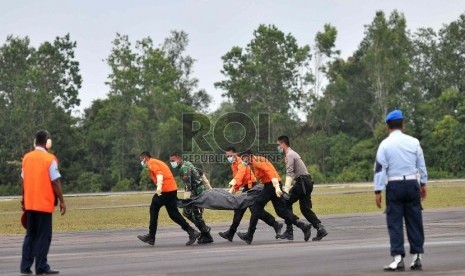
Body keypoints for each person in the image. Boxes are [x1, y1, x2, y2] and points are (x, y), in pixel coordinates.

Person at [374, 110, 427, 271]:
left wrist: (378, 190)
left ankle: (398, 259)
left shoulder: (385, 144)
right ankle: (417, 257)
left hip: (394, 186)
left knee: (395, 222)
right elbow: (421, 165)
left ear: (387, 126)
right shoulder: (414, 142)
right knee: (415, 220)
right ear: (403, 124)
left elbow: (380, 169)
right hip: (412, 184)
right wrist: (423, 183)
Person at [237, 150, 312, 244]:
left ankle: (250, 235)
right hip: (271, 185)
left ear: (248, 156)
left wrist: (276, 187)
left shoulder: (258, 161)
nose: (242, 160)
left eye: (243, 158)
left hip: (272, 186)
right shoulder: (254, 162)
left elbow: (270, 172)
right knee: (281, 211)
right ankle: (303, 226)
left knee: (256, 207)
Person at [20, 130, 66, 275]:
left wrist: (23, 199)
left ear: (35, 141)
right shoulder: (49, 158)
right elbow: (55, 181)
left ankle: (25, 266)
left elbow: (23, 180)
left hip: (30, 203)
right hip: (44, 204)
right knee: (43, 236)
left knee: (30, 235)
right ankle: (41, 266)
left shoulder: (26, 158)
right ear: (46, 142)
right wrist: (62, 201)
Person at [218, 146, 283, 242]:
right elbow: (238, 179)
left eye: (230, 155)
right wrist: (232, 190)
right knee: (241, 209)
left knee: (255, 211)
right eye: (227, 156)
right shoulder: (233, 164)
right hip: (246, 187)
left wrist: (233, 185)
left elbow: (240, 174)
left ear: (235, 154)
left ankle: (275, 225)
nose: (228, 158)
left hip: (251, 187)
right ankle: (231, 233)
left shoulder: (241, 162)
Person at [137, 151, 200, 246]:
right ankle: (192, 232)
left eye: (141, 160)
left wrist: (159, 188)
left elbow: (159, 174)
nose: (141, 162)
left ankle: (151, 236)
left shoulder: (151, 162)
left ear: (145, 158)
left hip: (165, 190)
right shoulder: (156, 162)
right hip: (171, 189)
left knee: (153, 209)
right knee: (173, 214)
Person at [276, 135, 328, 241]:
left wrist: (286, 189)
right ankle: (320, 228)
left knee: (285, 202)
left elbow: (289, 172)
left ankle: (289, 231)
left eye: (278, 145)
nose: (277, 147)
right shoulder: (292, 153)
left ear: (283, 144)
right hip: (307, 182)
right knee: (305, 209)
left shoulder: (290, 154)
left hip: (302, 182)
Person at [169, 152, 214, 244]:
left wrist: (186, 201)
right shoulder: (188, 163)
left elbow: (188, 186)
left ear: (179, 159)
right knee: (187, 213)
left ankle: (206, 234)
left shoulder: (185, 168)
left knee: (194, 214)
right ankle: (204, 231)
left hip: (198, 194)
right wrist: (209, 188)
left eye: (173, 161)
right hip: (197, 193)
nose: (171, 163)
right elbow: (201, 173)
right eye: (170, 161)